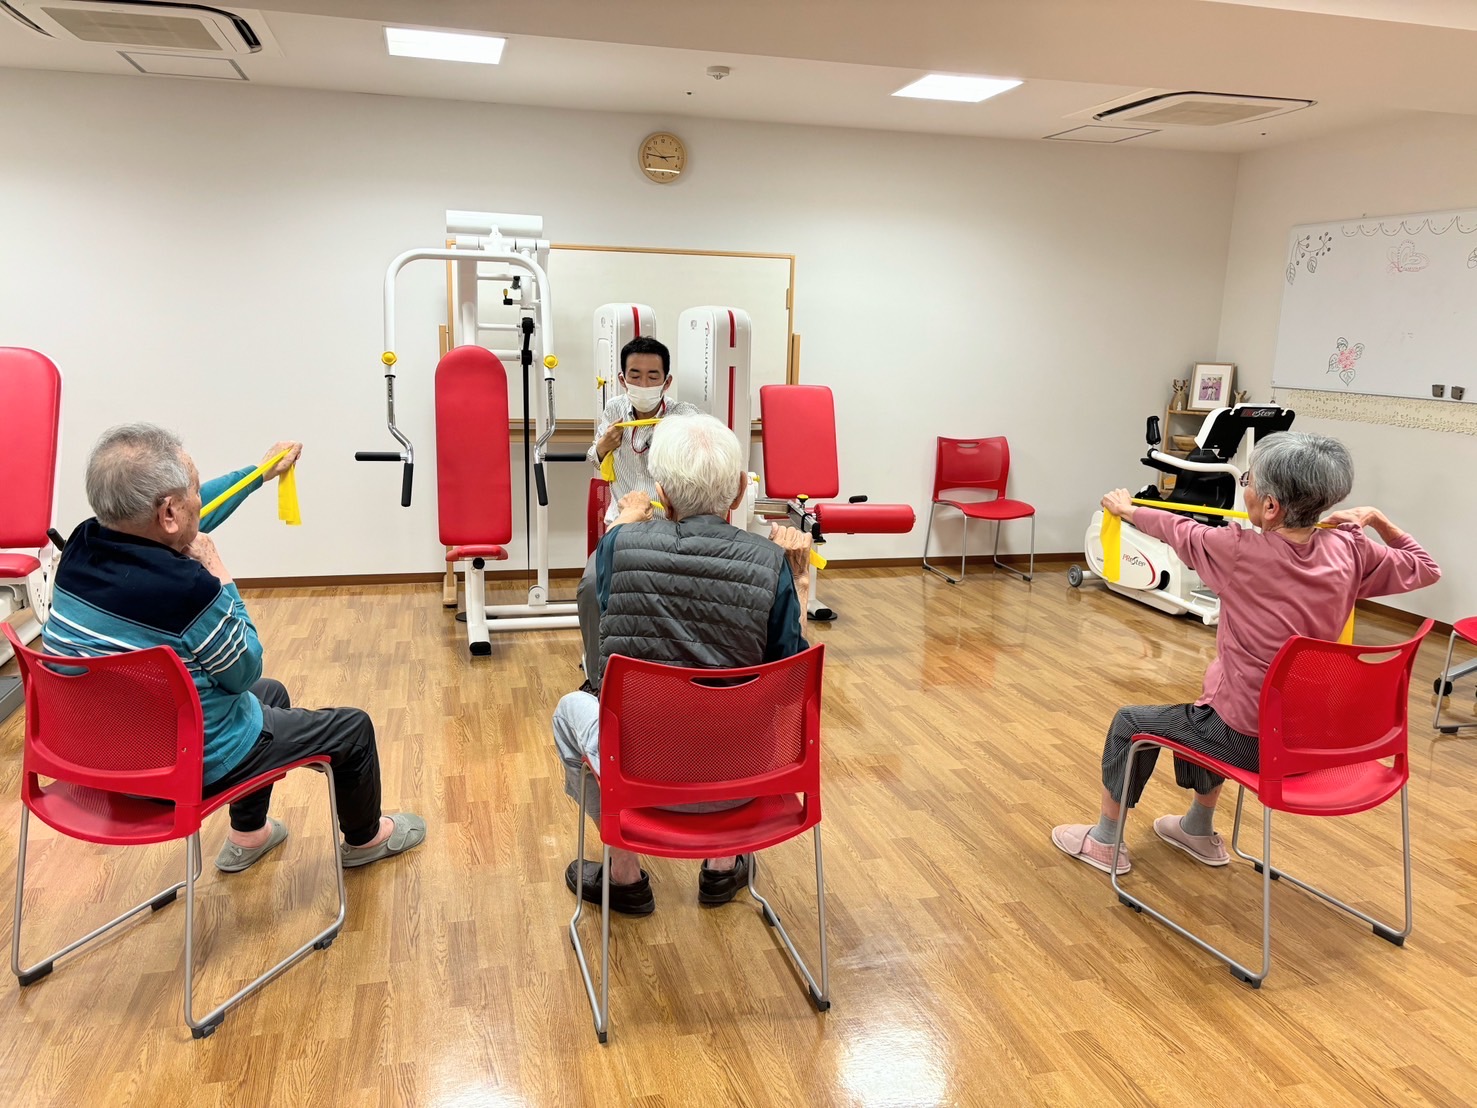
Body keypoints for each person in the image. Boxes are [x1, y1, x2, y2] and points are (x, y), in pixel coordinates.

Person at [43, 424, 425, 872]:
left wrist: (259, 473)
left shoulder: (80, 546)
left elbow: (194, 514)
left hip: (100, 763)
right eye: (194, 490)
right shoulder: (188, 591)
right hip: (182, 768)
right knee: (351, 728)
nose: (200, 499)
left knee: (271, 693)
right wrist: (218, 570)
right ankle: (366, 840)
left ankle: (249, 835)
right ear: (169, 513)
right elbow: (244, 669)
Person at [1053, 431, 1439, 874]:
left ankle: (1104, 840)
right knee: (1209, 703)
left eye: (1248, 481)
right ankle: (1197, 829)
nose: (1245, 488)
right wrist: (1378, 520)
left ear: (1271, 506)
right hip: (1315, 741)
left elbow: (1179, 530)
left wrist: (1128, 510)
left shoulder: (1237, 551)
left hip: (1252, 744)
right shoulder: (1350, 549)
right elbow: (1426, 568)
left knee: (1135, 723)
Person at [554, 413, 811, 916]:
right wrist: (798, 585)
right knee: (738, 704)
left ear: (661, 494)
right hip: (742, 778)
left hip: (640, 774)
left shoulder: (619, 545)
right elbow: (788, 689)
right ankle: (722, 865)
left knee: (570, 709)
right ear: (739, 492)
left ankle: (624, 875)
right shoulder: (770, 562)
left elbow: (597, 603)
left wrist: (623, 523)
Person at [587, 336, 701, 526]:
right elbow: (594, 459)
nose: (644, 385)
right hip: (622, 520)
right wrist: (602, 446)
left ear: (667, 382)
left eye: (653, 377)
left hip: (666, 525)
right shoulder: (615, 408)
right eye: (635, 376)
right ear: (622, 379)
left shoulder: (683, 416)